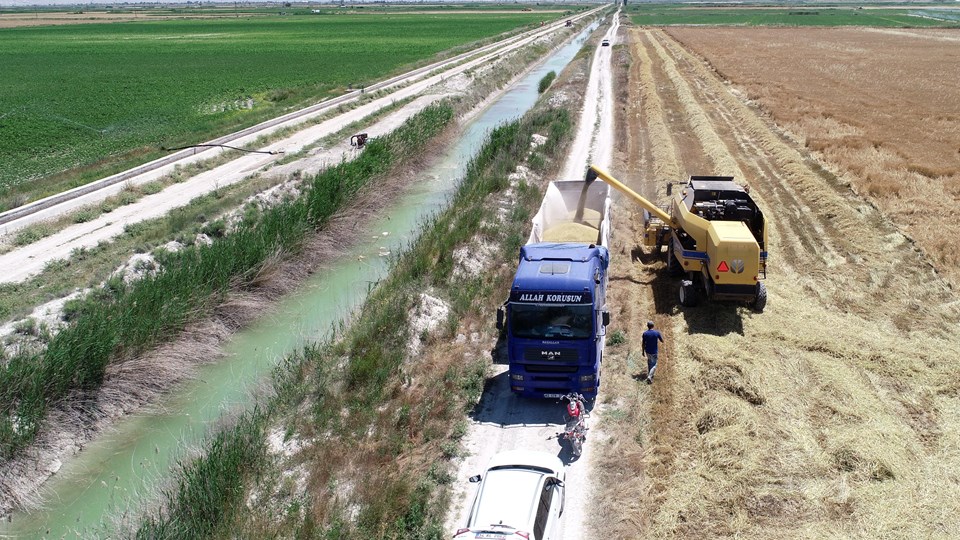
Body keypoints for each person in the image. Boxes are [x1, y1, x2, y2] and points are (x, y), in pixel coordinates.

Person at [641, 321, 664, 385]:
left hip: (647, 351)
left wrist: (643, 351)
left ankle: (650, 375)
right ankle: (649, 376)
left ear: (647, 326)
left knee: (649, 362)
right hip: (654, 351)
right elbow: (662, 341)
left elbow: (643, 344)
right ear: (653, 326)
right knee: (654, 364)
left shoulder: (645, 333)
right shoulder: (656, 333)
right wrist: (660, 334)